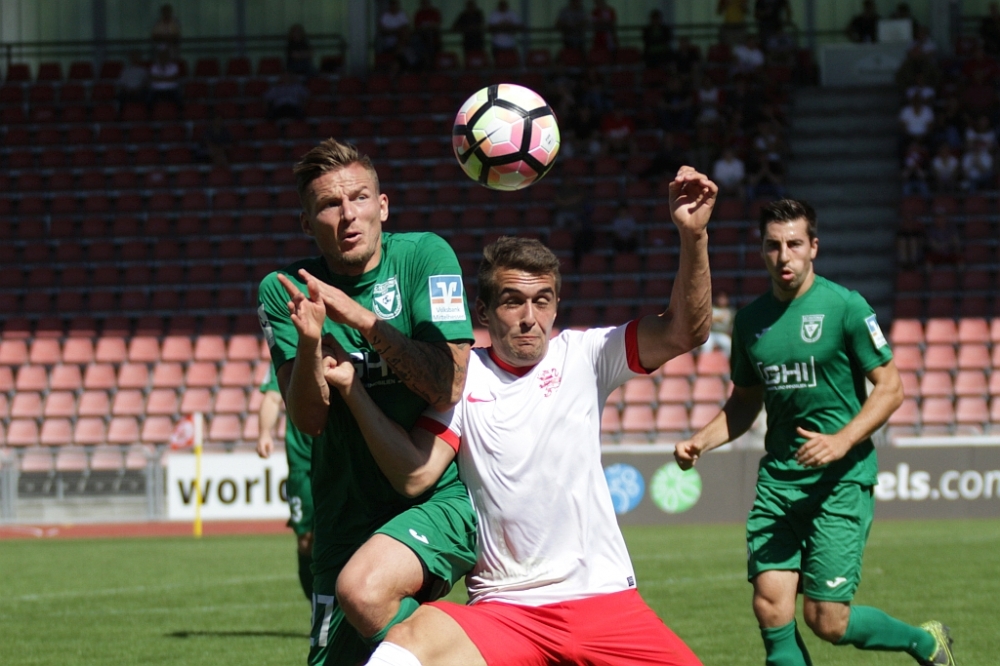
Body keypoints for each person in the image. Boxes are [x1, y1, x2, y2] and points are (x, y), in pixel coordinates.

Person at [328, 165, 717, 666]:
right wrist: (354, 390)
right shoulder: (461, 382)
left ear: (556, 307)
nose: (529, 316)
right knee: (408, 647)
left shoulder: (588, 354)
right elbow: (413, 473)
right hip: (505, 610)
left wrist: (693, 236)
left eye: (542, 300)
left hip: (604, 602)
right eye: (512, 301)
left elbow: (687, 330)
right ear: (483, 312)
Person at [674, 199, 957, 666]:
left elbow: (891, 388)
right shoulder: (750, 322)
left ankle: (924, 643)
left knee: (827, 621)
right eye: (773, 246)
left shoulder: (845, 306)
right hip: (778, 483)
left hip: (840, 481)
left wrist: (841, 440)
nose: (784, 256)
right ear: (761, 251)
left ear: (813, 248)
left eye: (794, 244)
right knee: (770, 605)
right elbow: (745, 401)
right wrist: (700, 441)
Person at [257, 138, 478, 666]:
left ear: (383, 206)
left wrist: (361, 321)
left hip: (437, 500)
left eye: (359, 198)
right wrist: (311, 341)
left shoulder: (426, 257)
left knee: (366, 592)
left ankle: (472, 647)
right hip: (344, 514)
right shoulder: (284, 290)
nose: (347, 214)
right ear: (308, 224)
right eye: (330, 205)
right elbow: (310, 421)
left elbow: (447, 385)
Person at [256, 364, 314, 602]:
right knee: (306, 540)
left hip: (340, 458)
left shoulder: (342, 339)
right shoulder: (286, 346)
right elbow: (272, 397)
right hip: (303, 462)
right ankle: (318, 610)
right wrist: (264, 433)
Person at [699, 290, 734, 356]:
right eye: (720, 298)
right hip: (710, 334)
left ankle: (724, 362)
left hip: (722, 334)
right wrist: (718, 318)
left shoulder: (730, 311)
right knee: (706, 345)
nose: (722, 300)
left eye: (724, 298)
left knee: (728, 344)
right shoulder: (711, 309)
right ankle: (706, 363)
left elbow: (731, 325)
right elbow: (707, 320)